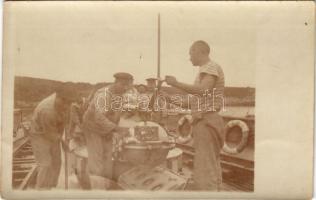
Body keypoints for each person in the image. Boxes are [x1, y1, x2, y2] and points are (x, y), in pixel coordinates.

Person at [165, 40, 225, 191]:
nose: (189, 57)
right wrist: (168, 98)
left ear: (200, 51)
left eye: (190, 53)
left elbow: (202, 90)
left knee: (205, 169)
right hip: (205, 122)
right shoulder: (203, 72)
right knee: (210, 166)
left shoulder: (210, 67)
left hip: (207, 121)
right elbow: (191, 102)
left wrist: (175, 83)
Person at [82, 72, 132, 182]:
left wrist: (115, 130)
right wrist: (116, 129)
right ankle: (96, 189)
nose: (126, 88)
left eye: (128, 85)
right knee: (97, 160)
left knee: (108, 158)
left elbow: (115, 115)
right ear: (115, 82)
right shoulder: (103, 95)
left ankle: (106, 184)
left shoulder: (120, 96)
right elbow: (99, 117)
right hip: (93, 128)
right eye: (123, 85)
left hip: (106, 129)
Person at [29, 82, 79, 189]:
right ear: (58, 96)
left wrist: (68, 137)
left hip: (54, 131)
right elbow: (49, 134)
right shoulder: (46, 110)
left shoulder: (67, 104)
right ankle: (41, 190)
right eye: (64, 102)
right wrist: (62, 141)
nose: (66, 105)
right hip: (40, 134)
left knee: (57, 162)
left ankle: (50, 187)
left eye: (69, 102)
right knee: (45, 164)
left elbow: (67, 121)